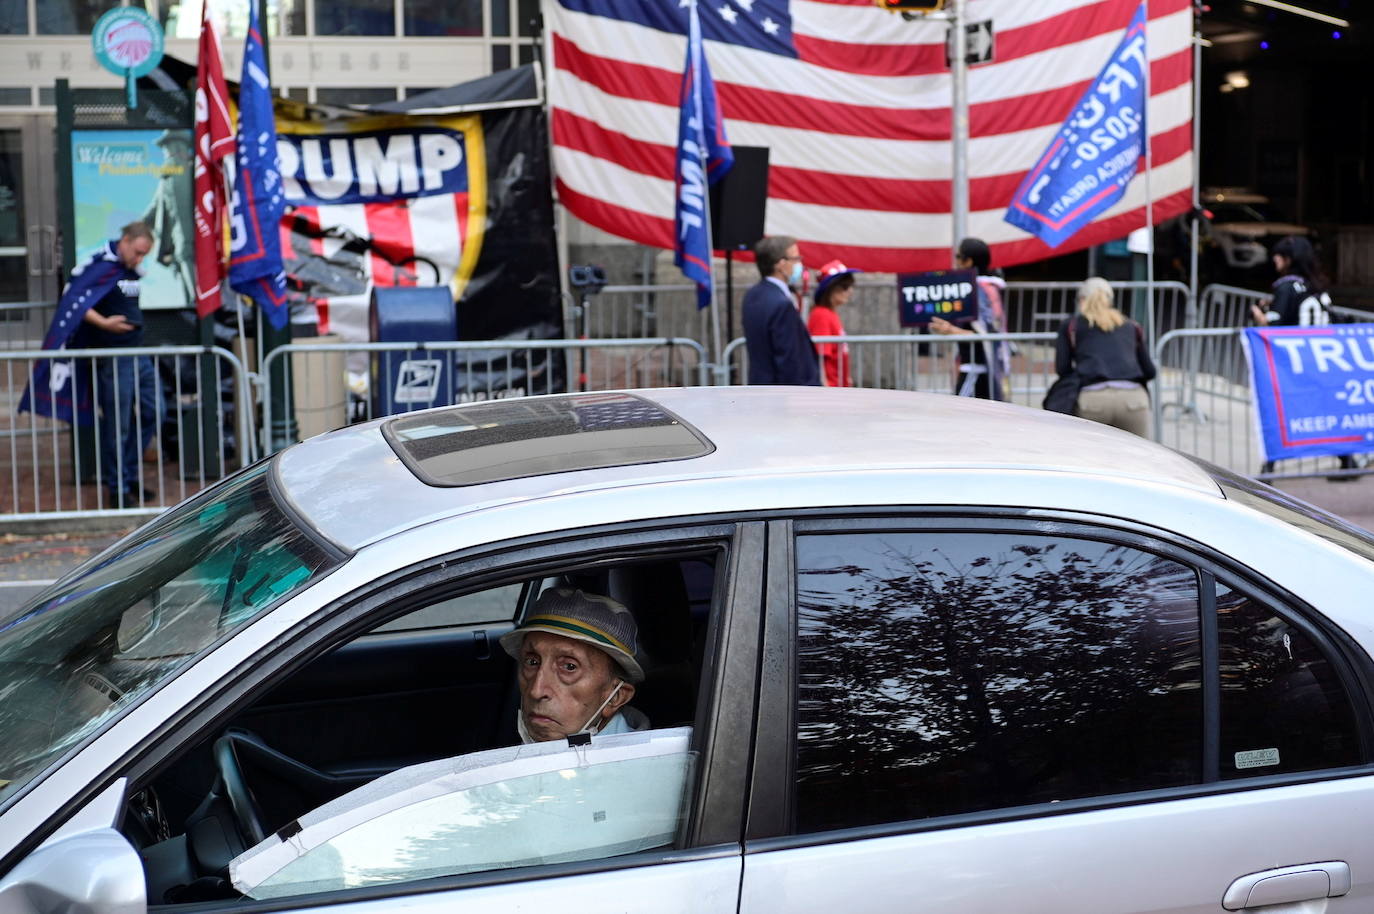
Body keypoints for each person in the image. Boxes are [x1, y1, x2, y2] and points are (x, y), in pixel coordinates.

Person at [1249, 235, 1357, 479]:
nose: (1274, 259)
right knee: (1325, 410)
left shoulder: (1286, 286)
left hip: (1293, 365)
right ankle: (1349, 461)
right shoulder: (1316, 285)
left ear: (1288, 259)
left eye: (1279, 255)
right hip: (1321, 361)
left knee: (1281, 414)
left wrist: (1257, 312)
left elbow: (1272, 324)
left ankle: (1269, 469)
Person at [73, 222, 163, 506]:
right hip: (113, 356)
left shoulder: (128, 267)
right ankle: (118, 487)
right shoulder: (101, 263)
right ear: (124, 241)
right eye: (137, 252)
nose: (139, 259)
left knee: (154, 411)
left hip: (137, 352)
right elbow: (72, 298)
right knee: (118, 425)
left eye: (143, 255)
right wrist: (103, 323)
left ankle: (129, 473)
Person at [499, 587, 649, 743]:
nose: (536, 691)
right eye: (532, 662)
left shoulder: (639, 765)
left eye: (569, 667)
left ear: (615, 697)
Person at [1054, 276, 1156, 437]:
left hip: (1093, 400)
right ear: (1110, 299)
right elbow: (1150, 371)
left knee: (1092, 458)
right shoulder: (1131, 325)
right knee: (1136, 458)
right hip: (1134, 401)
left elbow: (1062, 368)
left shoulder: (1071, 326)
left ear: (1081, 300)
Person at [928, 237, 1011, 400]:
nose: (956, 261)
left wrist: (951, 330)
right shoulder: (982, 289)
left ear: (968, 261)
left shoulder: (980, 292)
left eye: (958, 257)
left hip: (977, 367)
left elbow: (984, 334)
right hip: (982, 367)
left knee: (959, 415)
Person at [741, 235, 820, 386]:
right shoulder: (781, 304)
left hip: (761, 385)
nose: (799, 264)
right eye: (796, 259)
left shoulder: (753, 295)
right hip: (783, 392)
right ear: (781, 264)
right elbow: (789, 359)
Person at [808, 260, 859, 388]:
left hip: (837, 387)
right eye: (845, 286)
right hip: (831, 390)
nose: (850, 291)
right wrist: (825, 389)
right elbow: (820, 359)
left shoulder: (830, 314)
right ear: (831, 288)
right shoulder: (822, 315)